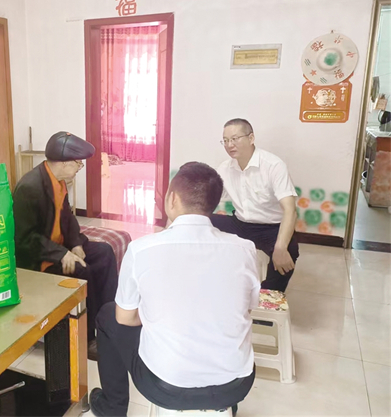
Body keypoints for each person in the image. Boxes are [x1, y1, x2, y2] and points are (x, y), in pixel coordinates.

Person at [90, 162, 260, 417]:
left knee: (107, 315)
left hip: (165, 388)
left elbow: (125, 318)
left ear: (172, 199)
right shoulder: (245, 249)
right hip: (236, 385)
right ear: (213, 206)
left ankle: (112, 408)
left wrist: (157, 316)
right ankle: (225, 407)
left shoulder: (142, 250)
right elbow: (247, 308)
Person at [12, 131, 118, 359]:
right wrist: (61, 254)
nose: (80, 167)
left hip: (59, 247)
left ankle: (109, 321)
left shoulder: (59, 181)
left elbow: (67, 219)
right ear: (62, 162)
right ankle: (87, 338)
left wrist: (76, 244)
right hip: (39, 258)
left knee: (104, 253)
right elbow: (23, 239)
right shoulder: (30, 188)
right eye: (78, 163)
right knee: (83, 271)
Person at [211, 118, 299, 292]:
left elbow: (290, 210)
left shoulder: (273, 165)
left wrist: (280, 247)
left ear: (251, 138)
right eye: (225, 140)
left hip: (271, 227)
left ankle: (267, 295)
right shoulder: (225, 168)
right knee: (202, 219)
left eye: (235, 139)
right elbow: (210, 199)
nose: (229, 145)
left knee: (289, 250)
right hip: (240, 223)